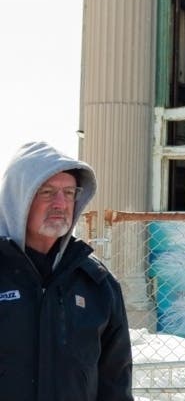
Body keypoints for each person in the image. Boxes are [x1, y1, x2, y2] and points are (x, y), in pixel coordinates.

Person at [0, 141, 134, 401]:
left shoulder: (98, 285)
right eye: (47, 192)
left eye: (69, 193)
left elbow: (115, 384)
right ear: (18, 198)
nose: (61, 203)